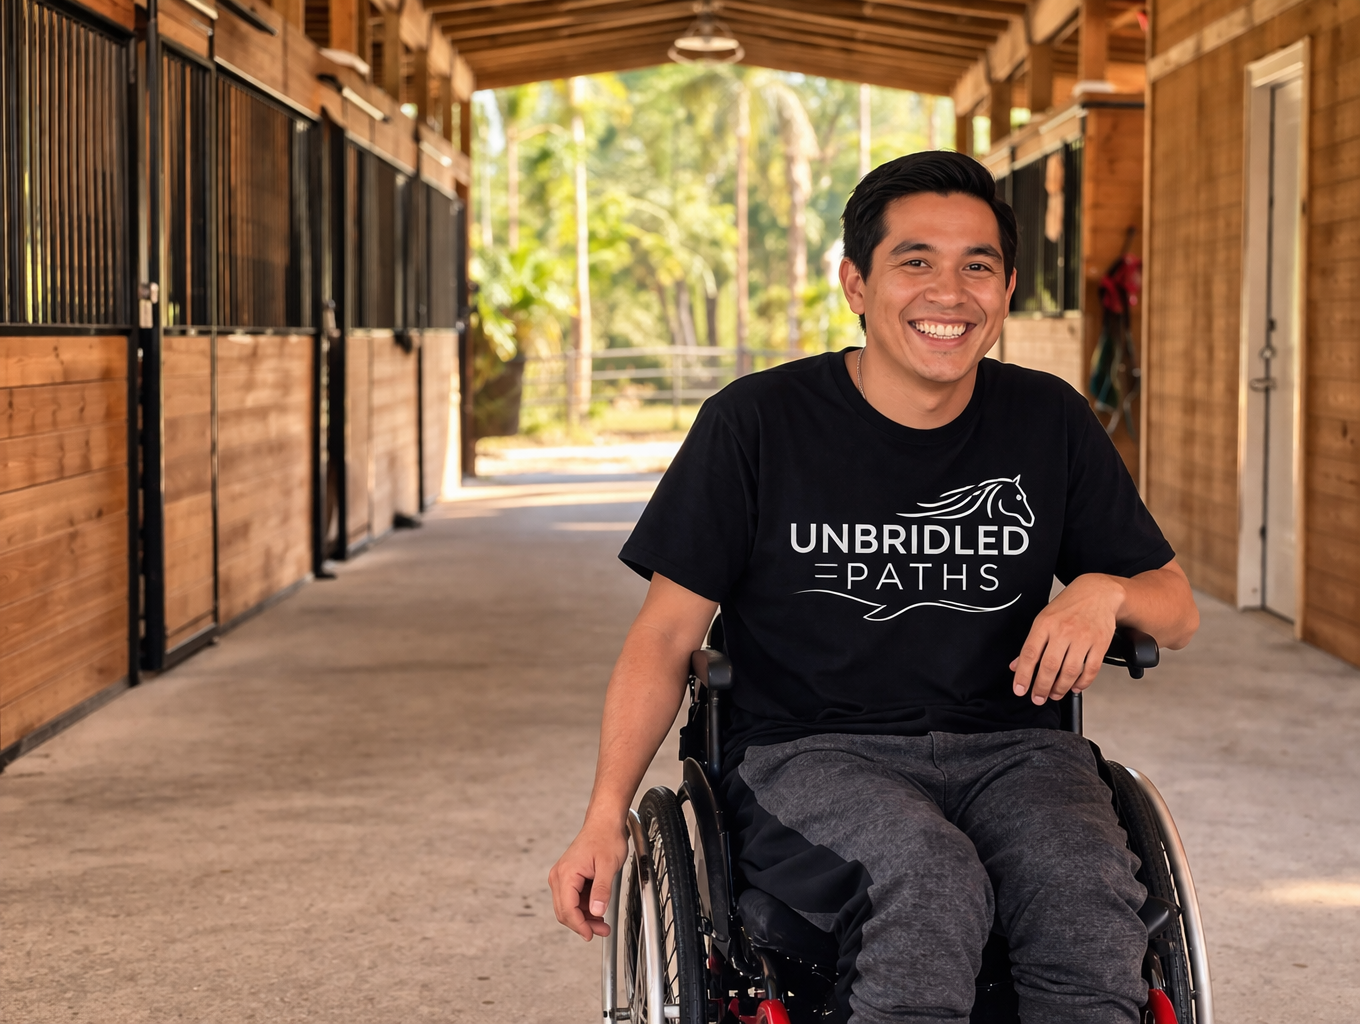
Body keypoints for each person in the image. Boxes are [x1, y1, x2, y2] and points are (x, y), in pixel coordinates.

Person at [548, 151, 1199, 1024]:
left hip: (1016, 750)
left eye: (978, 266)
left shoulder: (1048, 420)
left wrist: (1103, 592)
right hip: (811, 752)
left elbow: (1176, 605)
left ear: (1006, 290)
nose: (949, 292)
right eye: (915, 262)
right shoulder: (756, 423)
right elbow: (666, 635)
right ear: (856, 284)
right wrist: (604, 815)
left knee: (1082, 890)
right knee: (929, 877)